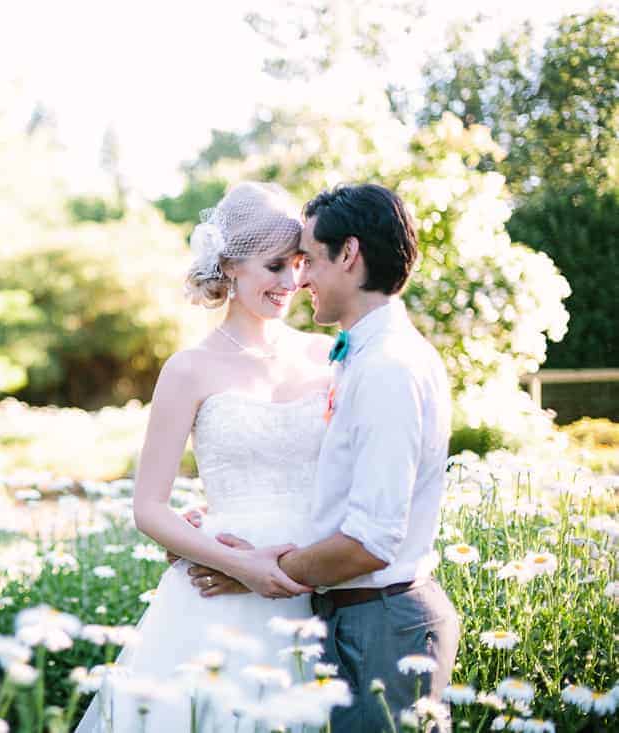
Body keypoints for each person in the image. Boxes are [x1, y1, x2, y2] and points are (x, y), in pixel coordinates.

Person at [183, 183, 460, 731]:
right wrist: (213, 527)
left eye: (307, 259)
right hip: (351, 621)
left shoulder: (387, 370)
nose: (299, 278)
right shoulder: (362, 356)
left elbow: (371, 540)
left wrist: (260, 573)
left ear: (349, 255)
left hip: (381, 626)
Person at [74, 182, 336, 733]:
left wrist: (288, 569)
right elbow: (149, 507)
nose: (291, 282)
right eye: (273, 266)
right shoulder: (189, 369)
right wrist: (236, 563)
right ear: (232, 267)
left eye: (297, 263)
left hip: (323, 586)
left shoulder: (327, 355)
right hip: (219, 597)